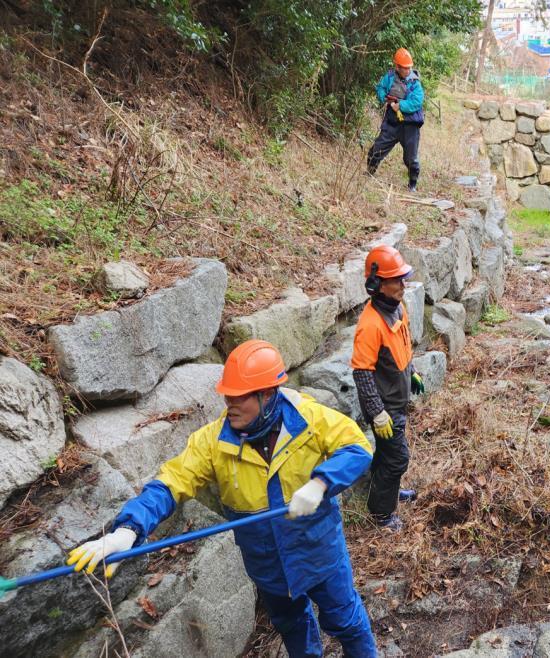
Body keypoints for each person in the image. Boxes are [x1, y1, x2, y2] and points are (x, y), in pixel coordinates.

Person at [66, 340, 378, 657]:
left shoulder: (311, 420)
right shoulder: (213, 442)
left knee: (346, 622)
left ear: (268, 394)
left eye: (241, 395)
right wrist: (128, 530)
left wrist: (321, 483)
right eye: (228, 393)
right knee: (294, 628)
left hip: (320, 554)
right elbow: (171, 482)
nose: (230, 402)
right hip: (268, 568)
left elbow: (357, 447)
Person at [350, 245, 424, 532]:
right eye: (397, 280)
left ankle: (388, 492)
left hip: (397, 398)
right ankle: (381, 514)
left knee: (385, 453)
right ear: (377, 284)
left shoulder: (397, 309)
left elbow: (403, 347)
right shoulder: (370, 325)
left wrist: (413, 371)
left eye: (403, 278)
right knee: (398, 458)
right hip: (383, 406)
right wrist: (377, 412)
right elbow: (362, 373)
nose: (403, 285)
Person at [366, 48, 425, 193]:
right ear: (397, 67)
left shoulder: (415, 83)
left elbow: (417, 101)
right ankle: (369, 173)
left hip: (410, 125)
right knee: (376, 149)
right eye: (404, 68)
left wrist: (401, 105)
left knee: (411, 158)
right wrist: (384, 98)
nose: (407, 70)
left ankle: (412, 184)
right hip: (392, 122)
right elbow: (380, 88)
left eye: (409, 67)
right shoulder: (390, 77)